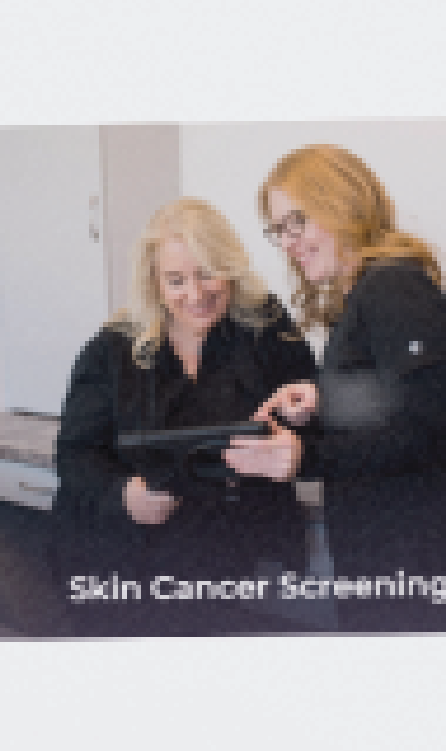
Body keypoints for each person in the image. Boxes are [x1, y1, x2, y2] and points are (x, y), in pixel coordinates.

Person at [47, 197, 313, 626]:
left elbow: (310, 414)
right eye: (176, 280)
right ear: (154, 282)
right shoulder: (114, 347)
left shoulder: (268, 327)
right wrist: (123, 496)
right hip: (126, 562)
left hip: (225, 562)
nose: (195, 294)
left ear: (230, 267)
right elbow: (74, 456)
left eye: (207, 273)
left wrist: (301, 421)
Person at [256, 143, 446, 627]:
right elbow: (396, 402)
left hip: (416, 560)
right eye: (278, 230)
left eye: (295, 222)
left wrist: (306, 457)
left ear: (340, 203)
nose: (287, 242)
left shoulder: (392, 286)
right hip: (386, 556)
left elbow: (432, 430)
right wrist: (325, 401)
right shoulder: (367, 291)